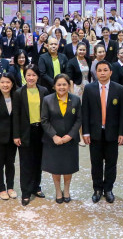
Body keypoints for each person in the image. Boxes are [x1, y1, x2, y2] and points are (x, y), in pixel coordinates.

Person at [82, 60, 123, 203]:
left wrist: (122, 133)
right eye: (99, 70)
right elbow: (85, 112)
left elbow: (122, 114)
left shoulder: (119, 89)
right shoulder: (89, 89)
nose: (102, 73)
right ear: (95, 72)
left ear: (111, 72)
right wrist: (86, 132)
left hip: (112, 133)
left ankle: (108, 189)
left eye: (105, 70)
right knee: (96, 163)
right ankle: (97, 189)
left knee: (111, 163)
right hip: (94, 132)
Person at [41, 74, 82, 203]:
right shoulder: (47, 100)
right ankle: (58, 191)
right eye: (59, 84)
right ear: (54, 86)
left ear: (69, 86)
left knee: (68, 167)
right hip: (53, 141)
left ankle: (67, 190)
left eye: (64, 84)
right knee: (56, 167)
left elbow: (79, 119)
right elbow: (44, 120)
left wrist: (70, 135)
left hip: (70, 140)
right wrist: (54, 136)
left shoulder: (75, 100)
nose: (62, 87)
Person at [13, 65, 49, 205]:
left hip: (40, 130)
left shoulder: (44, 91)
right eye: (28, 75)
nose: (31, 78)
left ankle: (36, 187)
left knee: (38, 161)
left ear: (37, 77)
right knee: (26, 162)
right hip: (25, 132)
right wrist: (16, 135)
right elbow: (16, 116)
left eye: (34, 75)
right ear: (24, 76)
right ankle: (26, 191)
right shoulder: (18, 93)